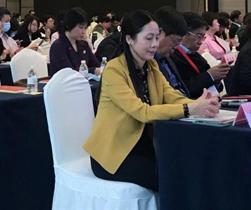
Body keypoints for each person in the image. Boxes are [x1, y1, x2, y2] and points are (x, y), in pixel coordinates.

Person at [84, 10, 219, 192]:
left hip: (145, 146)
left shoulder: (151, 65)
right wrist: (191, 108)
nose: (154, 44)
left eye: (157, 37)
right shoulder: (114, 70)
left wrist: (202, 104)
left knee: (192, 164)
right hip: (115, 154)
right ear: (130, 39)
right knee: (175, 177)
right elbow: (142, 111)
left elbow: (171, 95)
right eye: (148, 38)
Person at [171, 13, 229, 98]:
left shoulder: (195, 55)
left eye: (203, 37)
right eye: (199, 36)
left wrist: (217, 78)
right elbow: (183, 89)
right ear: (184, 34)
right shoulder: (172, 56)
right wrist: (210, 76)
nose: (201, 41)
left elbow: (217, 87)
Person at [152, 6, 192, 97]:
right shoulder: (148, 62)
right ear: (159, 33)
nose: (176, 47)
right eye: (175, 41)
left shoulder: (168, 59)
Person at [49, 7, 100, 76]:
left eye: (85, 28)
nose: (83, 32)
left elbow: (96, 65)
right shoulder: (58, 46)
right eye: (80, 27)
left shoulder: (83, 44)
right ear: (69, 25)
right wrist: (93, 70)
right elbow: (68, 72)